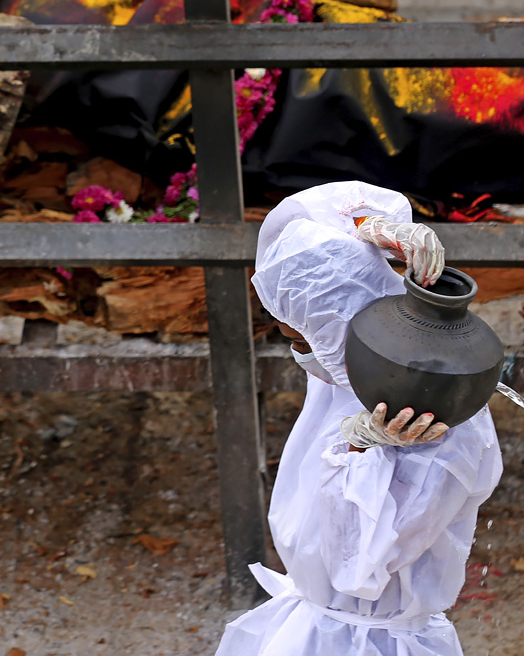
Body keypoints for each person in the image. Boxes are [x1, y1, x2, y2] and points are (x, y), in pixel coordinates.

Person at [214, 181, 503, 656]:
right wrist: (369, 223)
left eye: (299, 331)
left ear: (330, 327)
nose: (297, 345)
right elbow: (297, 225)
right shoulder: (355, 363)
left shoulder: (423, 414)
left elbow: (358, 568)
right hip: (317, 624)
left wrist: (359, 451)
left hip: (365, 640)